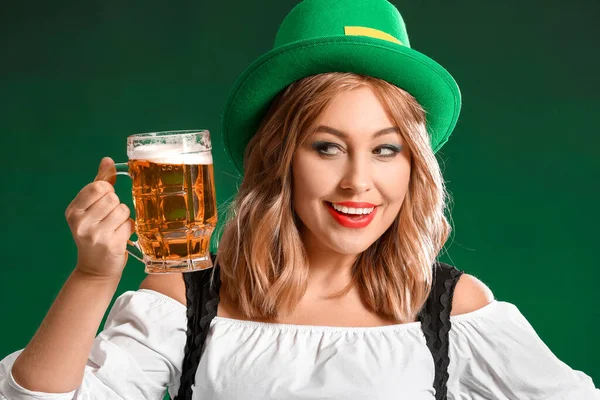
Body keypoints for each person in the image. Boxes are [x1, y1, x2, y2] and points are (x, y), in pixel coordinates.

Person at [1, 0, 598, 399]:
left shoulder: (451, 309)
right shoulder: (183, 301)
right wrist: (91, 276)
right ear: (278, 158)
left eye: (386, 150)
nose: (358, 183)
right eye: (327, 147)